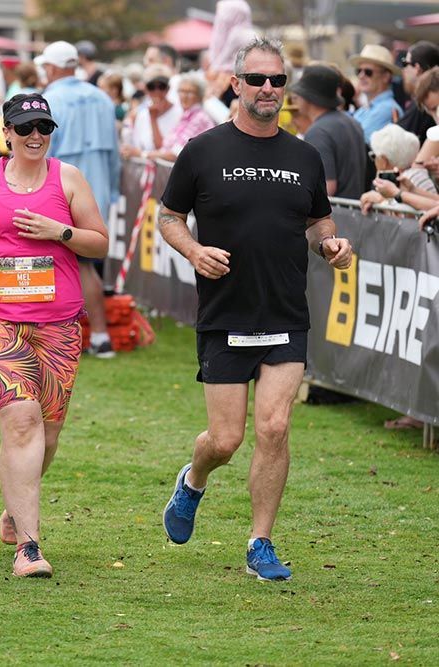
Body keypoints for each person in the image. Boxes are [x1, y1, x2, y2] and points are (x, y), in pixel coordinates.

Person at [158, 38, 353, 582]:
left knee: (275, 426)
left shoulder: (304, 155)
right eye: (257, 79)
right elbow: (169, 217)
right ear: (236, 84)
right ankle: (193, 480)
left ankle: (260, 543)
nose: (268, 89)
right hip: (225, 312)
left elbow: (318, 221)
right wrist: (194, 251)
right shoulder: (203, 150)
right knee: (226, 440)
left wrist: (331, 244)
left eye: (277, 80)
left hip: (285, 312)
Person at [0, 93, 109, 578]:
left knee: (48, 433)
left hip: (58, 323)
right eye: (25, 127)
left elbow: (99, 242)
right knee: (22, 421)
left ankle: (15, 508)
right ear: (7, 133)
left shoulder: (68, 178)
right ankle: (29, 549)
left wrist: (59, 231)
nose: (35, 135)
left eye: (43, 127)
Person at [37, 40, 120, 359]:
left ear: (52, 67)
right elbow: (114, 153)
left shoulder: (49, 99)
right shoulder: (101, 97)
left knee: (72, 265)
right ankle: (92, 335)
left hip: (60, 190)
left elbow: (42, 150)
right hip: (97, 189)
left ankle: (90, 335)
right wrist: (112, 191)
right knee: (84, 264)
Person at [291, 64, 367, 198]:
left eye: (300, 94)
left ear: (309, 97)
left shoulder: (318, 132)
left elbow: (326, 188)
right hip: (353, 209)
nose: (297, 98)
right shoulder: (352, 122)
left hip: (335, 210)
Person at [360, 124, 438, 213]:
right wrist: (411, 190)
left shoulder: (412, 177)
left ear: (383, 160)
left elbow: (410, 215)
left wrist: (384, 201)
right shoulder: (414, 177)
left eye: (374, 156)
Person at [143, 74, 215, 162]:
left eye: (189, 92)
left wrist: (143, 154)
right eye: (181, 91)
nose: (184, 96)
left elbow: (177, 154)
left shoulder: (199, 118)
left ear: (199, 95)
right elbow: (165, 147)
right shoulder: (185, 116)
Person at [350, 44, 402, 143]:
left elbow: (353, 140)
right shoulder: (365, 109)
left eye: (368, 72)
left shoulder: (387, 109)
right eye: (359, 71)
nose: (361, 76)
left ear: (386, 77)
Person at [397, 42, 439, 143]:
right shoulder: (424, 102)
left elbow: (397, 139)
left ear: (417, 68)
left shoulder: (421, 104)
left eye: (405, 63)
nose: (403, 70)